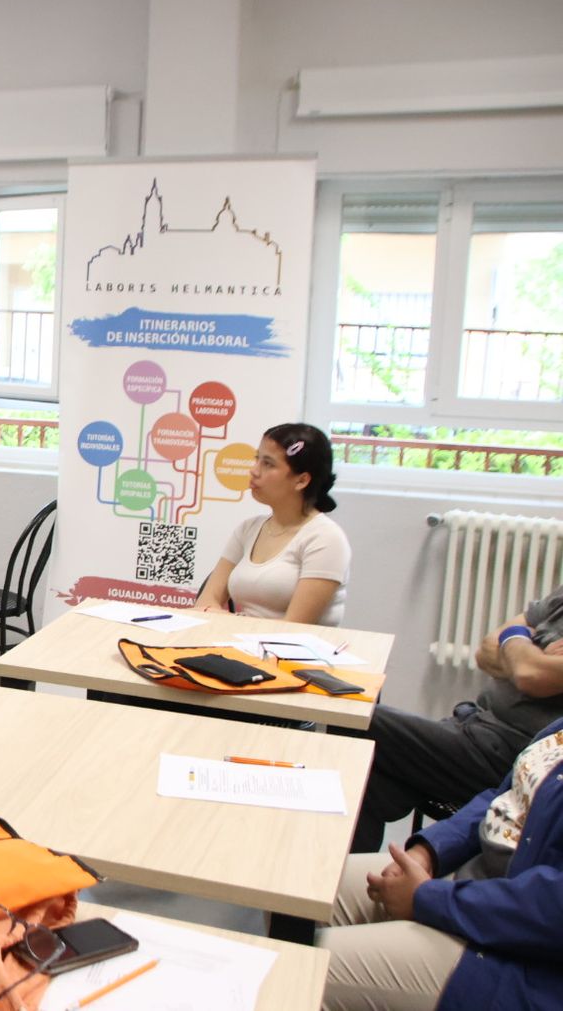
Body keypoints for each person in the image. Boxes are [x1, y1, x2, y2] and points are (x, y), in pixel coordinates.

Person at [319, 715, 563, 1010]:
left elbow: (550, 909)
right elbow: (503, 799)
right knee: (308, 889)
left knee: (309, 966)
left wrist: (427, 898)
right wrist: (430, 851)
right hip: (477, 888)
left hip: (517, 955)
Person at [349, 585, 563, 852]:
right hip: (476, 724)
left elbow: (529, 675)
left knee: (359, 722)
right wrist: (520, 640)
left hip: (513, 756)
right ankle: (348, 875)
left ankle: (344, 878)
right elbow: (486, 652)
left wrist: (518, 646)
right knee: (371, 773)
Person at [195, 422, 350, 627]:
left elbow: (293, 628)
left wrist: (229, 621)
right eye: (257, 459)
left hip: (294, 656)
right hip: (241, 648)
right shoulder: (248, 529)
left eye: (268, 464)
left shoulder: (326, 539)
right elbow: (206, 603)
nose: (254, 471)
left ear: (302, 480)